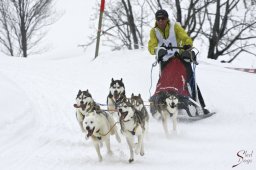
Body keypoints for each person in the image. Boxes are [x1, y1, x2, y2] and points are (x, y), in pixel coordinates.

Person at [148, 9, 210, 115]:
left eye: (163, 19)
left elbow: (185, 37)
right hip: (165, 59)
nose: (161, 21)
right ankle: (162, 100)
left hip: (180, 57)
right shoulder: (153, 31)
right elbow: (151, 46)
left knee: (190, 80)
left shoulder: (175, 26)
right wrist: (157, 50)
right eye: (158, 19)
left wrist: (188, 45)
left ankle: (200, 106)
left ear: (167, 19)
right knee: (164, 80)